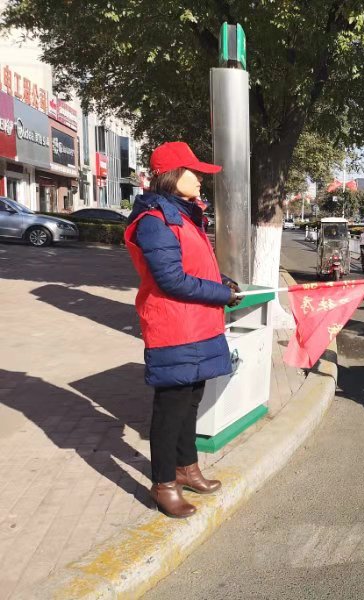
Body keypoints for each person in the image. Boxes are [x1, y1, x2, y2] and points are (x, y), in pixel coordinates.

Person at [125, 141, 241, 518]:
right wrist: (220, 294)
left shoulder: (184, 215)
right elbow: (171, 279)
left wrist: (222, 282)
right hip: (174, 326)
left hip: (198, 323)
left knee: (191, 401)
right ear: (174, 176)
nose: (201, 179)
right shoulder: (155, 221)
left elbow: (195, 267)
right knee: (170, 409)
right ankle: (163, 484)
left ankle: (186, 469)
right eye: (195, 173)